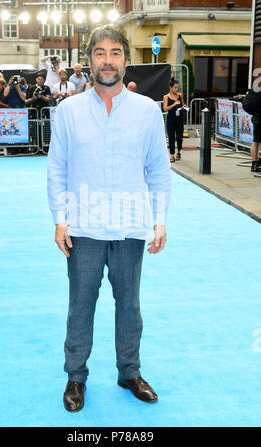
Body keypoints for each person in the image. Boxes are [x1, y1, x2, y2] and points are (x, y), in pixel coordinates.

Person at [47, 25, 172, 412]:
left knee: (129, 305)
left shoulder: (148, 111)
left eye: (115, 53)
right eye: (99, 53)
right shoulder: (68, 111)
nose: (107, 60)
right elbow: (57, 168)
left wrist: (160, 220)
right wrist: (60, 219)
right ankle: (75, 377)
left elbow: (159, 169)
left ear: (125, 60)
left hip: (131, 226)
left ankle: (129, 372)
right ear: (89, 60)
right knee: (80, 305)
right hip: (83, 228)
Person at [163, 77, 187, 163]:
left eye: (177, 87)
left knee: (180, 136)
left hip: (179, 118)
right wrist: (173, 104)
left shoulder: (180, 95)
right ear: (170, 87)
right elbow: (165, 108)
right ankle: (172, 155)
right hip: (171, 119)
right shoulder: (166, 97)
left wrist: (184, 107)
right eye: (175, 87)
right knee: (171, 137)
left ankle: (179, 152)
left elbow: (183, 105)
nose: (177, 89)